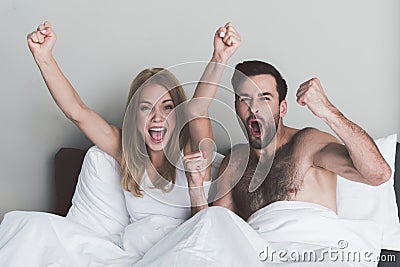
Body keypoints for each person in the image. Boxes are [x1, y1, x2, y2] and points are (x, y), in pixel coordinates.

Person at [26, 21, 241, 220]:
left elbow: (198, 109)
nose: (157, 117)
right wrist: (44, 58)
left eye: (167, 107)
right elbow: (77, 112)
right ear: (133, 116)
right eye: (146, 107)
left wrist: (219, 58)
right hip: (139, 254)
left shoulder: (192, 147)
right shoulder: (126, 150)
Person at [212, 60, 391, 220]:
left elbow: (378, 174)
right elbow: (214, 230)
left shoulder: (308, 144)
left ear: (282, 109)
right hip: (259, 254)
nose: (254, 108)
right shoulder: (234, 163)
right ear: (236, 108)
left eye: (264, 98)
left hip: (314, 251)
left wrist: (327, 110)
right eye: (244, 99)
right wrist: (194, 182)